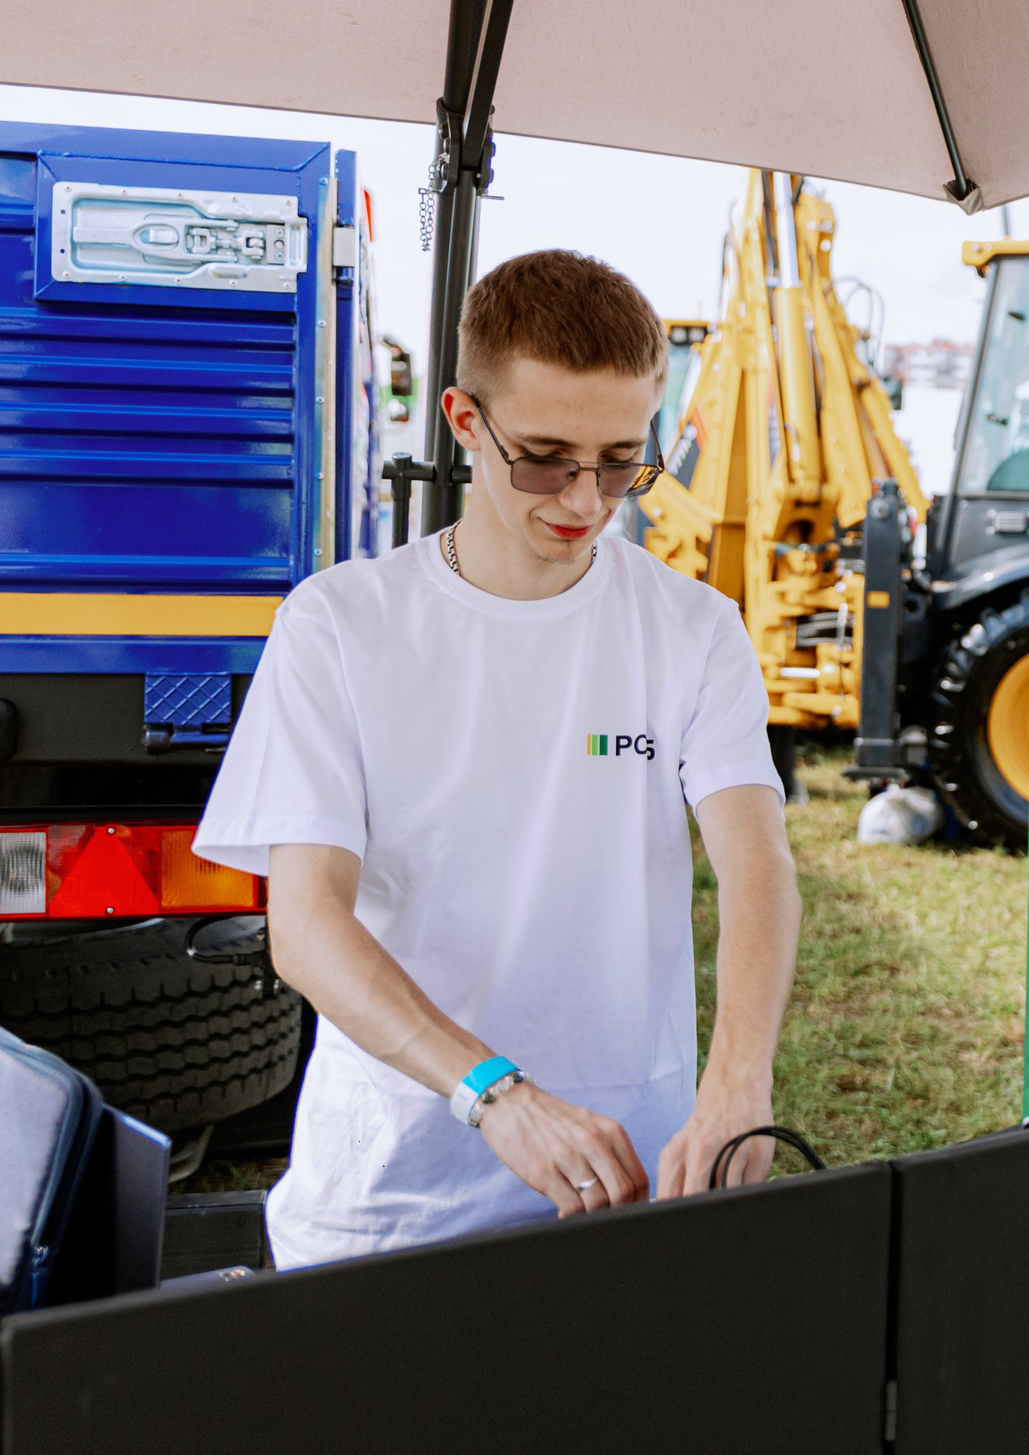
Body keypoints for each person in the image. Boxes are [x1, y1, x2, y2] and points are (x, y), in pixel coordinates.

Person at [194, 249, 799, 1268]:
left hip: (627, 1187)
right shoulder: (342, 626)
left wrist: (739, 1080)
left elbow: (757, 866)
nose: (584, 499)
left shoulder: (694, 630)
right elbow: (303, 924)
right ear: (464, 420)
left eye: (619, 462)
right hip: (390, 1201)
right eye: (547, 457)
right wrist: (494, 1092)